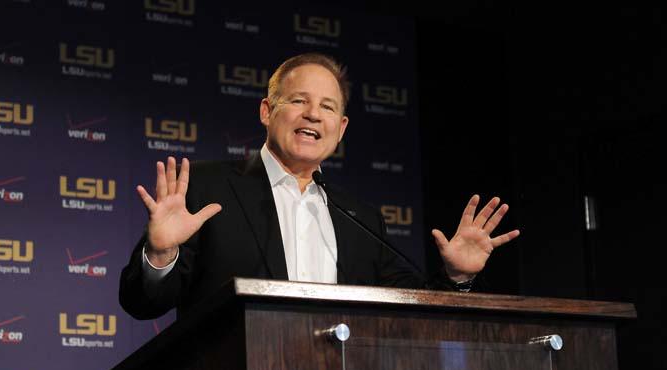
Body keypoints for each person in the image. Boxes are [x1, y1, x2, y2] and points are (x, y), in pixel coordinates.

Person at [119, 53, 519, 320]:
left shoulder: (361, 219)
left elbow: (413, 313)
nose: (313, 113)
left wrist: (456, 279)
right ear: (266, 111)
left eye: (328, 107)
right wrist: (160, 253)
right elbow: (143, 303)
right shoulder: (207, 189)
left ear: (340, 128)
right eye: (298, 101)